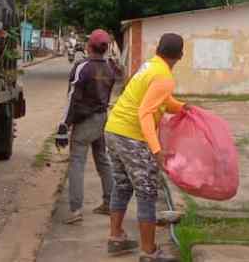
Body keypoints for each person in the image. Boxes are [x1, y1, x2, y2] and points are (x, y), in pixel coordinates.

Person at [103, 33, 198, 261]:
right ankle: (149, 252)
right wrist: (156, 150)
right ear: (181, 55)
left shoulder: (150, 66)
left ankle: (116, 238)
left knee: (123, 185)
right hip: (131, 136)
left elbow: (162, 101)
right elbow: (145, 112)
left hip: (113, 129)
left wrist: (183, 107)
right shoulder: (164, 76)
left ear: (158, 49)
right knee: (146, 192)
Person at [55, 30, 117, 224]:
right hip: (101, 119)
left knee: (77, 163)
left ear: (89, 46)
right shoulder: (110, 68)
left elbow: (72, 97)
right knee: (102, 160)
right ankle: (110, 203)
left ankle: (76, 210)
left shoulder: (83, 67)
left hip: (84, 122)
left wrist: (63, 125)